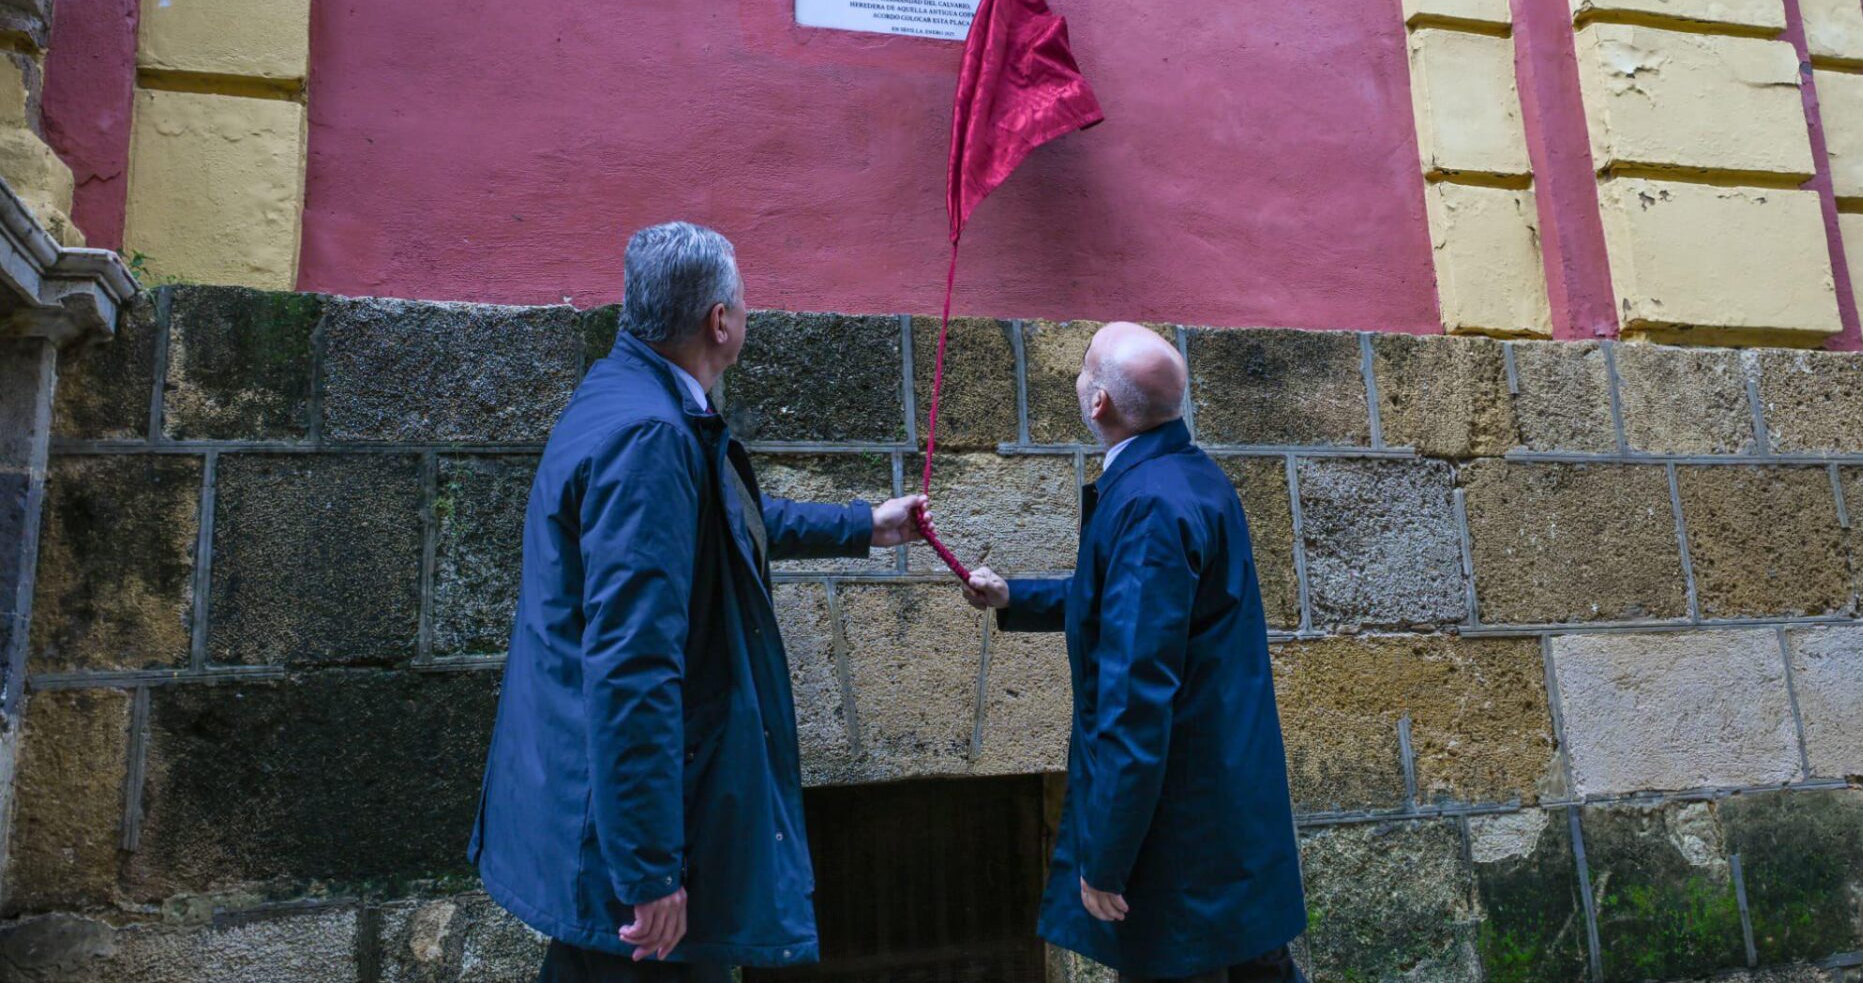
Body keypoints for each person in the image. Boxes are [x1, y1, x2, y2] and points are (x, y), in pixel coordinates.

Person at [469, 221, 929, 982]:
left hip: (587, 819)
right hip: (624, 861)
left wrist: (862, 526)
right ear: (721, 320)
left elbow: (714, 520)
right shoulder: (649, 436)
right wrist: (649, 872)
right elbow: (633, 668)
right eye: (743, 301)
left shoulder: (622, 395)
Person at [962, 323, 1309, 983]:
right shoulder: (1191, 476)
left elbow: (1135, 696)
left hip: (1181, 840)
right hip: (1228, 822)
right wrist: (1016, 598)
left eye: (1084, 369)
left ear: (1099, 403)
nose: (1077, 378)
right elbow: (1134, 610)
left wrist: (1105, 856)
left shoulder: (1149, 504)